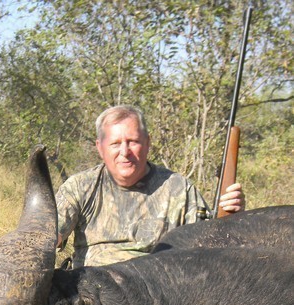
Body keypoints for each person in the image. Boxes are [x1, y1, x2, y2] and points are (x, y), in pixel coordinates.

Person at [56, 105, 245, 268]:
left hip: (157, 296)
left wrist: (231, 217)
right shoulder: (80, 187)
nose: (125, 152)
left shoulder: (179, 188)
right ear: (100, 147)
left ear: (147, 143)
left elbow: (211, 249)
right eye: (115, 143)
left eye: (133, 142)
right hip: (89, 295)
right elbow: (46, 237)